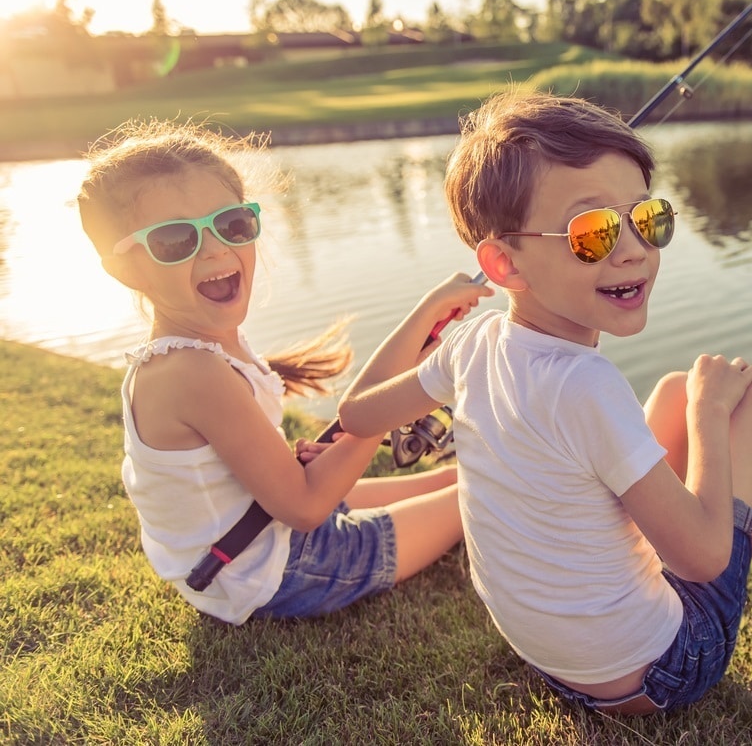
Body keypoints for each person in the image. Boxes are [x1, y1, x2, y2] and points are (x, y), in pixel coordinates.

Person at [337, 89, 752, 714]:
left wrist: (427, 312)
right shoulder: (585, 385)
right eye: (594, 232)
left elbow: (356, 415)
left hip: (551, 659)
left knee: (669, 388)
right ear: (504, 264)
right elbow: (699, 560)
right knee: (744, 394)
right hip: (658, 673)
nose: (635, 248)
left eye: (647, 217)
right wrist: (708, 414)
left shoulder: (471, 344)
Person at [76, 118, 490, 624]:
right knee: (488, 492)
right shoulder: (190, 372)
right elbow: (307, 505)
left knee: (467, 475)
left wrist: (426, 312)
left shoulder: (205, 348)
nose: (214, 249)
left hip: (260, 535)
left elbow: (342, 425)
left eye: (230, 224)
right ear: (124, 267)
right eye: (174, 239)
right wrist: (379, 417)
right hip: (280, 571)